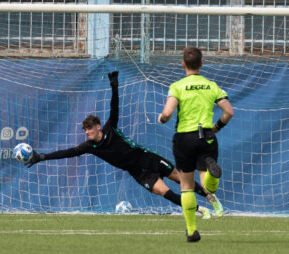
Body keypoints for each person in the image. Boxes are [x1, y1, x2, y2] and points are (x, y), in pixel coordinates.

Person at [25, 71, 222, 219]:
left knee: (181, 179)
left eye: (89, 129)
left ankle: (211, 199)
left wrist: (114, 86)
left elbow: (115, 107)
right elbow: (68, 153)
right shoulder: (90, 147)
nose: (87, 133)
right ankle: (200, 210)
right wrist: (42, 156)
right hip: (138, 172)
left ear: (98, 127)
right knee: (165, 192)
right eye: (85, 130)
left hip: (147, 158)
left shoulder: (111, 128)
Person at [158, 47, 234, 242]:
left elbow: (167, 113)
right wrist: (217, 126)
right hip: (207, 136)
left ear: (183, 64)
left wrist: (162, 118)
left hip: (185, 138)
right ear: (201, 64)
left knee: (186, 186)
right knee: (207, 182)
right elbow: (229, 112)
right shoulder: (211, 85)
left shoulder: (177, 86)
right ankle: (212, 178)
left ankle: (192, 231)